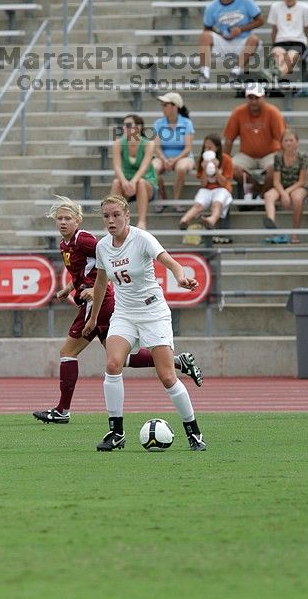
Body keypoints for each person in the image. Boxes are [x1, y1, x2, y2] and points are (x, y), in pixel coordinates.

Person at [33, 196, 203, 425]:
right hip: (108, 305)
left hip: (109, 303)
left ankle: (63, 410)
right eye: (59, 218)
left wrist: (94, 291)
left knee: (68, 352)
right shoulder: (69, 244)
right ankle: (176, 363)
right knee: (117, 361)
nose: (63, 222)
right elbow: (94, 269)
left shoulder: (86, 240)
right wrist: (68, 288)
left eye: (68, 218)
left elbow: (107, 267)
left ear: (78, 220)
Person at [82, 194, 206, 452]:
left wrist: (181, 278)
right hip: (124, 313)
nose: (111, 220)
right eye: (106, 216)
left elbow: (171, 262)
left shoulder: (142, 238)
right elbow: (102, 282)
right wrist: (93, 318)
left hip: (153, 312)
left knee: (166, 376)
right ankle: (116, 432)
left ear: (127, 216)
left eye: (116, 215)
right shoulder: (103, 246)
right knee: (113, 363)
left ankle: (193, 432)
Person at [195, 0, 263, 83]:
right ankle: (204, 73)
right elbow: (207, 28)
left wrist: (241, 29)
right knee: (205, 36)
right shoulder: (211, 7)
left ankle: (236, 71)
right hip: (224, 42)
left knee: (254, 38)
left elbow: (260, 20)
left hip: (243, 41)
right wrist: (219, 33)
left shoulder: (245, 0)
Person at [223, 82, 286, 199]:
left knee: (276, 167)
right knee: (232, 167)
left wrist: (285, 159)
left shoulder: (273, 112)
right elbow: (229, 140)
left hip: (270, 154)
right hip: (246, 155)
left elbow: (282, 139)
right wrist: (224, 160)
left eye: (257, 98)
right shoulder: (238, 112)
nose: (253, 101)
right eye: (250, 98)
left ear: (263, 97)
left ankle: (261, 196)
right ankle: (257, 189)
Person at [111, 113, 157, 230]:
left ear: (138, 127)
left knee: (141, 182)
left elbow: (144, 167)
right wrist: (125, 182)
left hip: (146, 184)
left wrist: (133, 182)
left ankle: (142, 221)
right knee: (116, 182)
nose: (124, 128)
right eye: (124, 125)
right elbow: (117, 167)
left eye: (128, 125)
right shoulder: (118, 143)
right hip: (127, 184)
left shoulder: (148, 143)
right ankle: (113, 221)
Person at [179, 133, 233, 230]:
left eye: (210, 148)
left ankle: (212, 220)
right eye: (205, 147)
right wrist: (204, 169)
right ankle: (184, 220)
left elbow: (224, 183)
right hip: (207, 189)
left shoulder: (226, 159)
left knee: (217, 203)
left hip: (222, 189)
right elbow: (203, 184)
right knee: (198, 204)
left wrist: (216, 169)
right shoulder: (202, 160)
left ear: (217, 148)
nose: (207, 150)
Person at [263, 129, 308, 243]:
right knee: (268, 196)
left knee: (297, 199)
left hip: (297, 186)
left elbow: (301, 181)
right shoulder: (278, 157)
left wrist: (286, 193)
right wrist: (283, 193)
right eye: (286, 140)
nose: (288, 143)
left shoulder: (302, 157)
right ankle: (272, 228)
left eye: (291, 140)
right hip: (281, 186)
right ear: (282, 143)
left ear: (297, 142)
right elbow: (276, 181)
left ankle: (295, 233)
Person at [152, 92, 195, 213]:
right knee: (153, 168)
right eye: (163, 105)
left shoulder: (187, 123)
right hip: (162, 156)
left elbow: (187, 148)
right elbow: (157, 147)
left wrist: (174, 160)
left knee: (181, 168)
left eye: (166, 105)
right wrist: (165, 159)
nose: (163, 108)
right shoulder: (158, 123)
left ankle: (176, 201)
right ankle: (162, 197)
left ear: (175, 106)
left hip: (183, 156)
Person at [267, 0, 308, 80]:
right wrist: (273, 45)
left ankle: (276, 75)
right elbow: (274, 30)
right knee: (277, 55)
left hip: (298, 42)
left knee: (291, 57)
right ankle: (276, 75)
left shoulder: (304, 8)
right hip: (281, 41)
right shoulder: (275, 7)